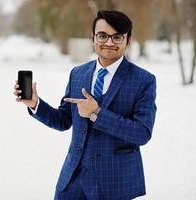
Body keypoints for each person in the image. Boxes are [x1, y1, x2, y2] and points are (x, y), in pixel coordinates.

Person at [13, 10, 156, 200]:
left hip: (115, 184)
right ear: (93, 37)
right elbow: (64, 120)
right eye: (103, 36)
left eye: (117, 37)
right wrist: (35, 104)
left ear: (128, 41)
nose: (109, 43)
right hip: (73, 180)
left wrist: (97, 112)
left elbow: (142, 133)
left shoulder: (143, 80)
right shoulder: (78, 74)